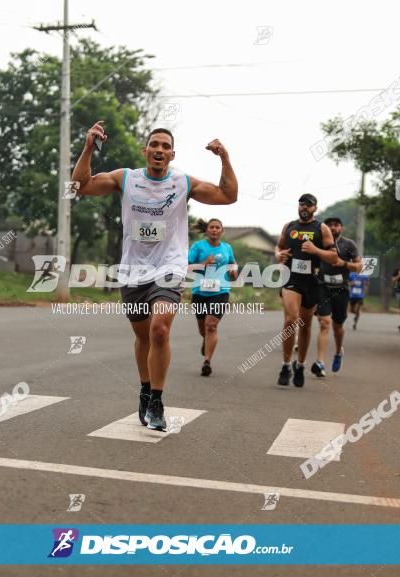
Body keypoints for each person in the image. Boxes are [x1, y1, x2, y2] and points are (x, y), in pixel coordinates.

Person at [72, 122, 238, 431]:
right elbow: (80, 187)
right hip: (134, 271)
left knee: (160, 330)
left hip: (169, 268)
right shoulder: (127, 179)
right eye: (154, 145)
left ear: (172, 154)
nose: (159, 150)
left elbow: (228, 196)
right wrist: (87, 148)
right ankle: (145, 389)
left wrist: (224, 158)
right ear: (145, 151)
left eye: (165, 146)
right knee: (142, 335)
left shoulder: (182, 183)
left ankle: (158, 401)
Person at [274, 194, 338, 387]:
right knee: (290, 319)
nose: (304, 207)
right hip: (291, 279)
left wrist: (316, 251)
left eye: (309, 205)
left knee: (305, 325)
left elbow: (334, 257)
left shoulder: (322, 229)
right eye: (302, 203)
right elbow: (279, 246)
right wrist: (279, 254)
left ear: (315, 209)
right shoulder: (289, 226)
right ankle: (286, 365)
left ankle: (300, 364)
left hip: (311, 281)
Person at [188, 218, 238, 377]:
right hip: (199, 292)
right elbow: (186, 267)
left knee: (211, 326)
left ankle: (207, 362)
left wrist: (233, 271)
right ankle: (206, 340)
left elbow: (233, 264)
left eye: (218, 227)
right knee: (203, 329)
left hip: (220, 291)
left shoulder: (227, 248)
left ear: (222, 231)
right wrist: (203, 263)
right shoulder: (198, 247)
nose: (215, 230)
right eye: (212, 227)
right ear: (207, 230)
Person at [313, 217, 362, 375]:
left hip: (342, 290)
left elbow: (360, 267)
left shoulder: (349, 245)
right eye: (329, 225)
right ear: (325, 228)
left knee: (338, 327)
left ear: (341, 228)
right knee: (324, 322)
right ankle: (320, 363)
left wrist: (344, 264)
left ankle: (339, 352)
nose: (333, 228)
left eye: (336, 225)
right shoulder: (319, 243)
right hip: (323, 288)